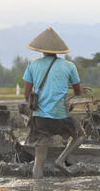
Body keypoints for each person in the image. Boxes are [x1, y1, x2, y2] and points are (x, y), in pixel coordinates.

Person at [23, 27, 89, 179]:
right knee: (80, 135)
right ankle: (60, 160)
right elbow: (78, 92)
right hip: (61, 117)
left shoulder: (32, 65)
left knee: (38, 161)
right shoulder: (69, 66)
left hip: (40, 119)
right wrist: (70, 87)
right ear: (58, 51)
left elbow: (27, 94)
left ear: (41, 50)